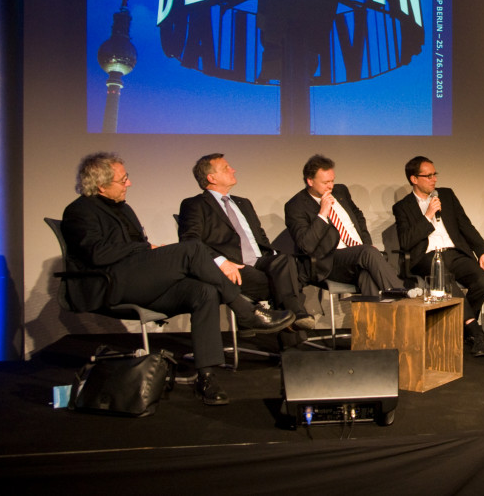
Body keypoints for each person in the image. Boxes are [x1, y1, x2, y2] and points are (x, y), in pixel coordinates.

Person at [61, 153, 294, 406]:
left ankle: (206, 376)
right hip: (111, 284)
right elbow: (98, 253)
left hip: (139, 281)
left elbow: (135, 246)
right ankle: (246, 312)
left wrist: (147, 250)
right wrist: (145, 250)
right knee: (192, 248)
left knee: (203, 291)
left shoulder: (124, 208)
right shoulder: (79, 211)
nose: (129, 184)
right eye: (123, 179)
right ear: (101, 185)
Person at [178, 153, 315, 333]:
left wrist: (273, 257)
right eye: (226, 168)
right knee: (286, 282)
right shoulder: (194, 204)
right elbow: (190, 241)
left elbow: (260, 237)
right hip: (234, 266)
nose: (233, 170)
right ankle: (296, 324)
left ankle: (288, 325)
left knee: (285, 261)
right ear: (211, 178)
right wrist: (220, 262)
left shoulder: (243, 203)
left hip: (260, 261)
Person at [393, 156, 484, 357]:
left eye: (434, 174)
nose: (434, 179)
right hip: (427, 257)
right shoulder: (403, 207)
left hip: (454, 253)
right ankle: (476, 332)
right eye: (428, 175)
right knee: (445, 279)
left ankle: (465, 328)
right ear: (414, 179)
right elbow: (405, 241)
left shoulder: (446, 196)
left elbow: (465, 225)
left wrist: (483, 250)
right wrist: (428, 216)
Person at [284, 154, 404, 297]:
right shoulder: (295, 206)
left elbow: (358, 217)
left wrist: (366, 243)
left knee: (367, 275)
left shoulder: (340, 191)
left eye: (332, 181)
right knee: (368, 252)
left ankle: (374, 318)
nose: (331, 186)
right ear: (310, 181)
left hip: (359, 255)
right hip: (330, 261)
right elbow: (305, 245)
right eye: (325, 182)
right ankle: (403, 297)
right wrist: (322, 213)